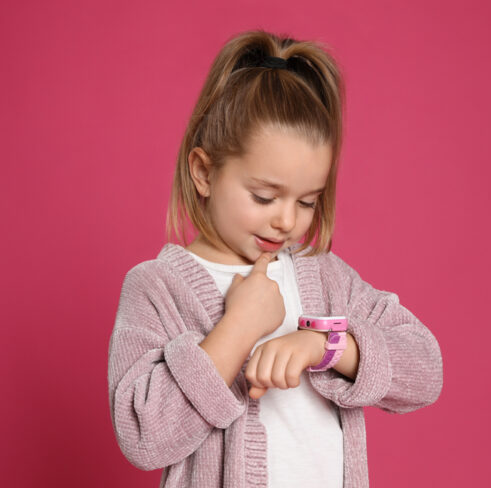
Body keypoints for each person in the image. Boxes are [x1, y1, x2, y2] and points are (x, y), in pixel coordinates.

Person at [108, 29, 443, 488]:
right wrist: (239, 326)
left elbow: (425, 370)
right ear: (204, 172)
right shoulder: (158, 288)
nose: (286, 221)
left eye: (307, 202)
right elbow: (144, 435)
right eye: (264, 197)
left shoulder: (326, 278)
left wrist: (326, 346)